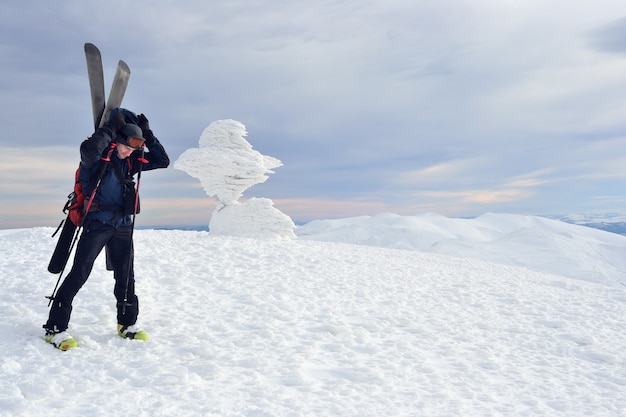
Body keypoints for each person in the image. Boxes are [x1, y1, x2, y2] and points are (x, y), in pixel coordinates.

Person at [43, 108, 170, 350]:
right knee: (79, 273)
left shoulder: (130, 162)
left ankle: (126, 324)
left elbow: (162, 161)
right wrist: (110, 128)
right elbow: (88, 151)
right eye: (126, 147)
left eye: (133, 149)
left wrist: (149, 134)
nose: (129, 152)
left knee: (125, 274)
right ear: (117, 141)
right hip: (97, 224)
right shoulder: (97, 160)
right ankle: (54, 328)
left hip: (123, 225)